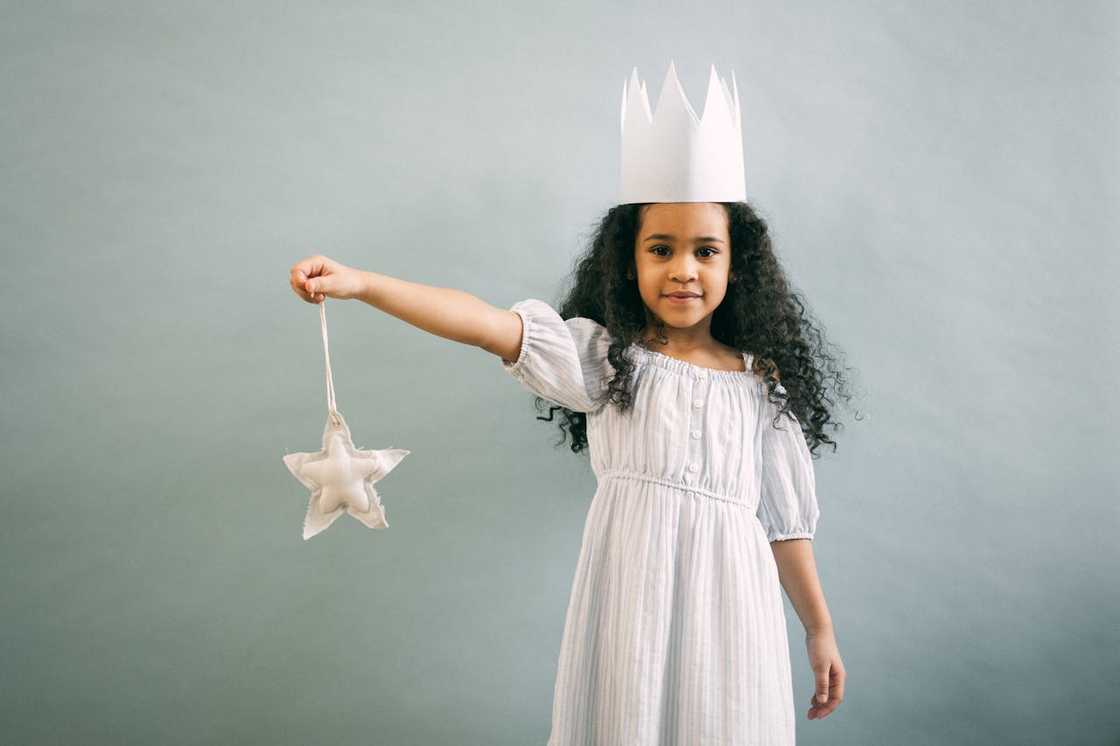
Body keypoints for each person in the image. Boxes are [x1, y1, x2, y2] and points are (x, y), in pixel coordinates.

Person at [288, 63, 851, 744]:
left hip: (733, 605)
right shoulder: (603, 360)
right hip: (630, 598)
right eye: (660, 249)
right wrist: (361, 283)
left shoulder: (763, 386)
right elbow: (482, 321)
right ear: (629, 261)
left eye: (706, 250)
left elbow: (787, 526)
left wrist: (819, 631)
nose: (683, 269)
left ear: (738, 264)